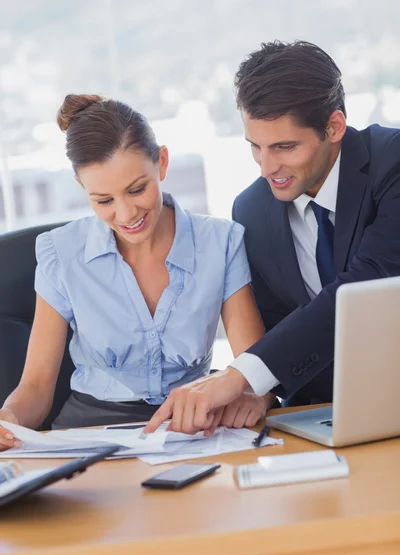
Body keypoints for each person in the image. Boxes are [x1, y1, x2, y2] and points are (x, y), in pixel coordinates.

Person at [144, 40, 400, 435]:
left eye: (285, 147)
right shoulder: (252, 211)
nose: (267, 168)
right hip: (326, 417)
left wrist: (239, 375)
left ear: (334, 127)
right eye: (255, 148)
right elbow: (281, 322)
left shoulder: (392, 163)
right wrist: (260, 394)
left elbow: (369, 279)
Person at [0, 94, 275, 450]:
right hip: (89, 433)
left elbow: (254, 368)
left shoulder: (220, 242)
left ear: (161, 163)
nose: (127, 213)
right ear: (82, 187)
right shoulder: (62, 254)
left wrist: (255, 399)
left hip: (193, 427)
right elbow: (35, 389)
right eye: (104, 200)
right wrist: (10, 419)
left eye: (137, 189)